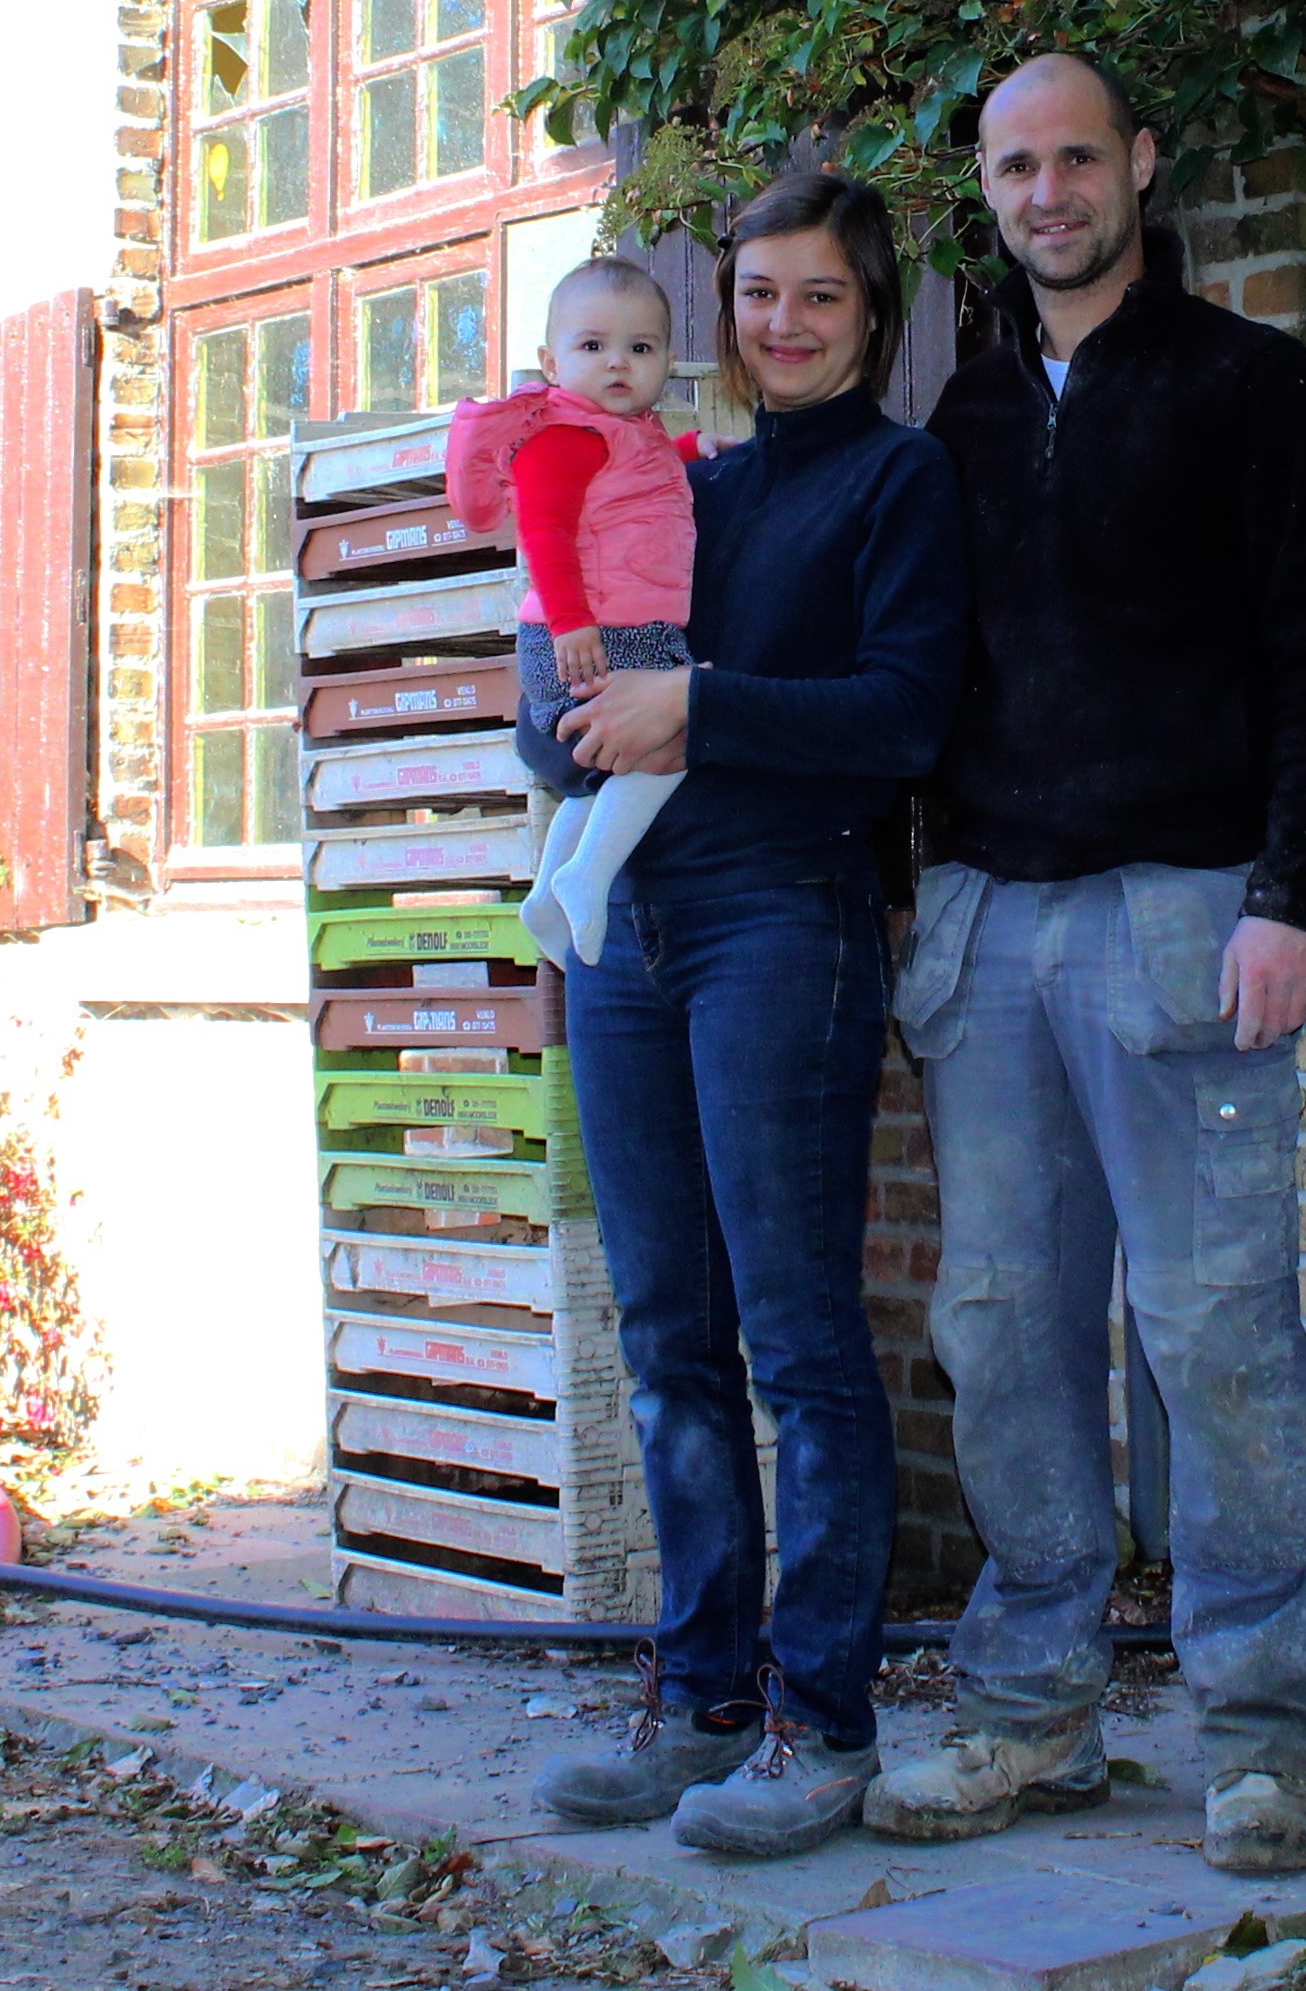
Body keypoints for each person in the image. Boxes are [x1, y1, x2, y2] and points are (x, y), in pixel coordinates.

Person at [866, 54, 1306, 1878]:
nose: (1048, 190)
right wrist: (896, 897)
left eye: (1078, 155)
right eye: (1015, 163)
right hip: (989, 925)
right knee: (997, 1326)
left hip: (1184, 916)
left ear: (1139, 164)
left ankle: (1258, 1739)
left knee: (1215, 1330)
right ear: (985, 190)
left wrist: (1290, 894)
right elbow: (911, 690)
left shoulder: (1253, 389)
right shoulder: (958, 427)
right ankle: (1032, 1714)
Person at [525, 171, 962, 1860]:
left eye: (820, 298)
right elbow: (566, 697)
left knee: (794, 1337)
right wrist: (553, 703)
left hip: (783, 916)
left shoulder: (893, 482)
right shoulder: (678, 480)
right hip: (627, 931)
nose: (781, 322)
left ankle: (822, 1721)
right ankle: (701, 1695)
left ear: (872, 316)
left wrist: (691, 706)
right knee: (665, 1336)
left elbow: (903, 713)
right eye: (759, 294)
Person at [452, 254, 701, 967]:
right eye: (593, 347)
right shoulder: (563, 436)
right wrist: (572, 623)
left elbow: (631, 484)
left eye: (640, 348)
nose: (618, 363)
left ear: (667, 361)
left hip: (618, 627)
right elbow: (547, 533)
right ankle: (586, 877)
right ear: (550, 362)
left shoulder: (624, 432)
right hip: (597, 633)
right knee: (665, 748)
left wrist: (689, 449)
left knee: (604, 769)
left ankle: (550, 895)